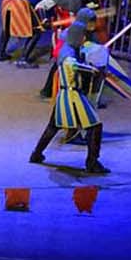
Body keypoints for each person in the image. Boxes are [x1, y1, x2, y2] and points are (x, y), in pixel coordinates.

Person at [29, 18, 108, 174]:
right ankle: (92, 163)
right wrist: (93, 70)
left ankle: (36, 154)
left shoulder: (70, 48)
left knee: (54, 125)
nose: (84, 38)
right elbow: (72, 65)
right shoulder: (69, 54)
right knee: (94, 126)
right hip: (73, 96)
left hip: (66, 94)